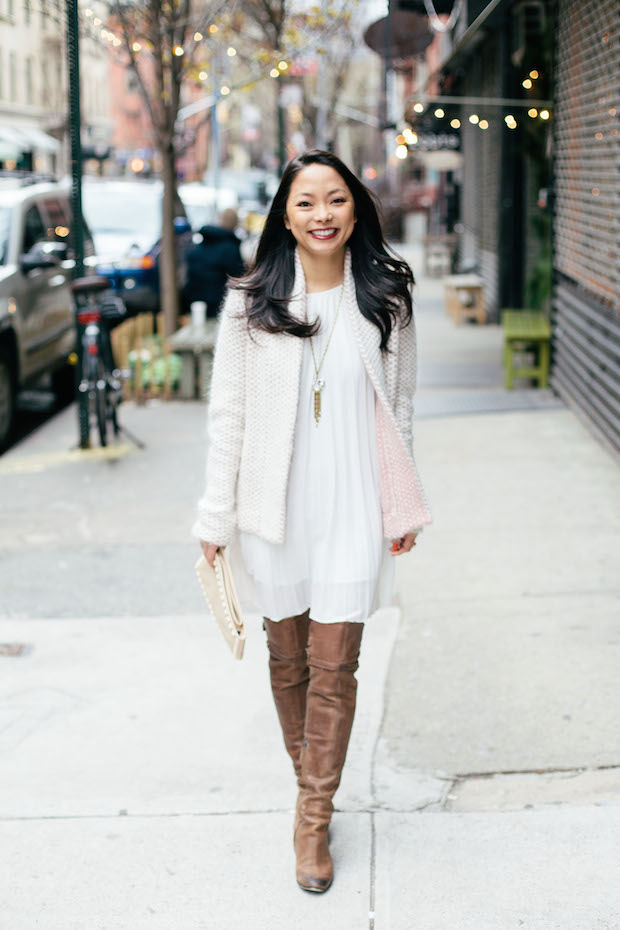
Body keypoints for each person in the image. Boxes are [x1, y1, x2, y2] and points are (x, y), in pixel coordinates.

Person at [192, 150, 431, 894]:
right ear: (285, 216)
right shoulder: (250, 303)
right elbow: (227, 417)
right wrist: (214, 514)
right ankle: (314, 790)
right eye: (305, 203)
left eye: (334, 200)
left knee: (337, 666)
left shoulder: (386, 298)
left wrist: (403, 502)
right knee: (287, 659)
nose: (321, 214)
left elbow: (402, 409)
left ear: (356, 208)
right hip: (278, 506)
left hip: (355, 502)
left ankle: (311, 817)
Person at [183, 208, 245, 317]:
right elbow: (236, 278)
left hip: (194, 301)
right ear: (236, 224)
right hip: (219, 303)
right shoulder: (231, 248)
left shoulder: (202, 244)